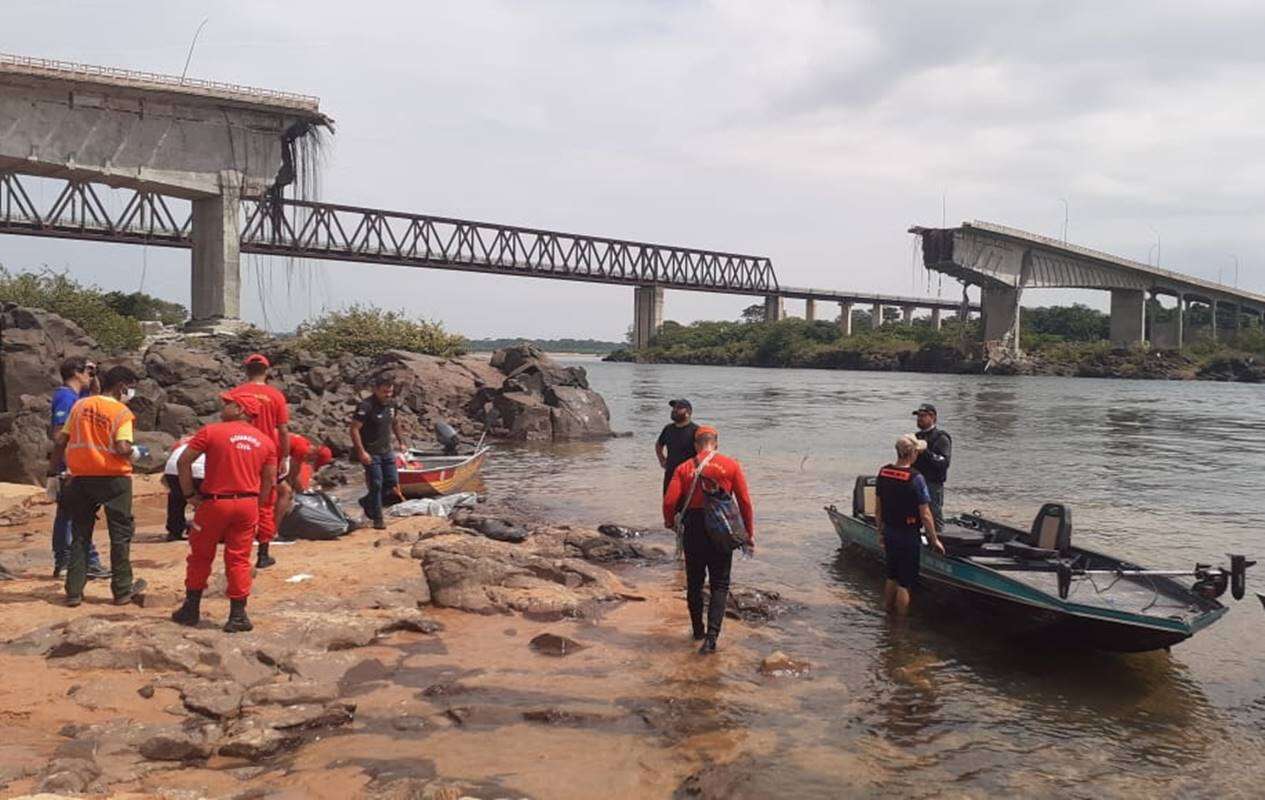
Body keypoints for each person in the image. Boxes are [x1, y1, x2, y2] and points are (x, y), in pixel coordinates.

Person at [171, 392, 278, 633]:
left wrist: (189, 494)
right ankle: (238, 615)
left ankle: (191, 609)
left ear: (240, 410)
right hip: (247, 504)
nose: (223, 406)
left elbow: (183, 462)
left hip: (214, 503)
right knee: (239, 559)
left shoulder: (211, 431)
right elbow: (269, 480)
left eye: (228, 403)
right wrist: (258, 507)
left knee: (200, 556)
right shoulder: (266, 441)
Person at [51, 365, 148, 607]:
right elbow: (122, 447)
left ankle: (74, 592)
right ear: (122, 386)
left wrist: (52, 473)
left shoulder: (79, 406)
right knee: (120, 535)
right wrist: (137, 453)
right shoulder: (121, 412)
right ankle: (122, 590)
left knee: (81, 535)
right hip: (114, 479)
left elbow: (61, 441)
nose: (131, 392)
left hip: (81, 477)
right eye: (131, 387)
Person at [662, 425, 755, 655]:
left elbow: (669, 502)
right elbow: (744, 502)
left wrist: (670, 523)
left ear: (696, 445)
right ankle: (712, 640)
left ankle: (697, 631)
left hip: (693, 527)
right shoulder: (731, 465)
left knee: (694, 582)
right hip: (721, 529)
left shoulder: (684, 468)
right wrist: (748, 534)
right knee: (720, 585)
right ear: (716, 443)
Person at [226, 353, 289, 569]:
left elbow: (225, 423)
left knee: (236, 496)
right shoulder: (276, 396)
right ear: (267, 371)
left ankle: (236, 550)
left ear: (246, 370)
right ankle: (263, 552)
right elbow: (283, 430)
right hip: (265, 451)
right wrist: (285, 457)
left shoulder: (235, 394)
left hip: (238, 449)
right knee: (265, 501)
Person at [47, 357, 108, 579]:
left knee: (75, 514)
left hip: (77, 465)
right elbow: (59, 434)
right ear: (75, 371)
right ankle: (73, 561)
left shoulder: (78, 397)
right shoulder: (65, 397)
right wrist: (67, 466)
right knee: (72, 514)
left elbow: (95, 397)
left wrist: (94, 379)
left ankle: (78, 560)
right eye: (89, 371)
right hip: (71, 467)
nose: (92, 375)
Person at [875, 434, 945, 615]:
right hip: (908, 534)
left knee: (891, 575)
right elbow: (926, 514)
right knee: (905, 582)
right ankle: (900, 626)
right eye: (917, 452)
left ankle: (887, 613)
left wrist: (880, 532)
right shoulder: (916, 478)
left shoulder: (883, 472)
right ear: (912, 453)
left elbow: (878, 509)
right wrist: (934, 539)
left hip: (889, 531)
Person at [350, 375, 406, 530]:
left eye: (390, 392)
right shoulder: (366, 406)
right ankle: (378, 519)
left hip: (386, 450)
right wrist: (361, 452)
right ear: (375, 390)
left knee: (392, 483)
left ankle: (367, 502)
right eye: (384, 392)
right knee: (376, 484)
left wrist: (401, 442)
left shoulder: (392, 404)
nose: (387, 395)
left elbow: (395, 423)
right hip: (370, 451)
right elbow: (354, 429)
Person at [274, 433, 334, 522]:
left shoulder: (302, 442)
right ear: (315, 455)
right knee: (286, 492)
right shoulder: (303, 450)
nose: (308, 462)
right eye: (311, 461)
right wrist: (299, 494)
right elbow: (292, 476)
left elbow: (293, 475)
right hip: (269, 446)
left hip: (269, 440)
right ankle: (274, 528)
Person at [912, 403, 952, 531]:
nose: (919, 419)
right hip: (915, 481)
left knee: (934, 515)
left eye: (923, 416)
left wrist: (925, 452)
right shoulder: (916, 437)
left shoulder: (941, 437)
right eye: (918, 416)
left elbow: (944, 463)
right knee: (913, 513)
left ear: (933, 417)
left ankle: (938, 542)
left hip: (932, 483)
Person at [162, 435, 205, 541]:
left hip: (172, 469)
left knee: (176, 498)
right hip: (197, 470)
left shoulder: (185, 441)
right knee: (207, 499)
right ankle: (202, 529)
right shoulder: (214, 440)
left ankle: (174, 530)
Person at [656, 398, 699, 494]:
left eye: (679, 408)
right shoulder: (668, 429)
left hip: (689, 476)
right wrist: (662, 460)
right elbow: (658, 445)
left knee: (688, 506)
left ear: (688, 412)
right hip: (670, 475)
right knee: (669, 505)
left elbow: (702, 454)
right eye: (673, 408)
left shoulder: (696, 431)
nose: (674, 410)